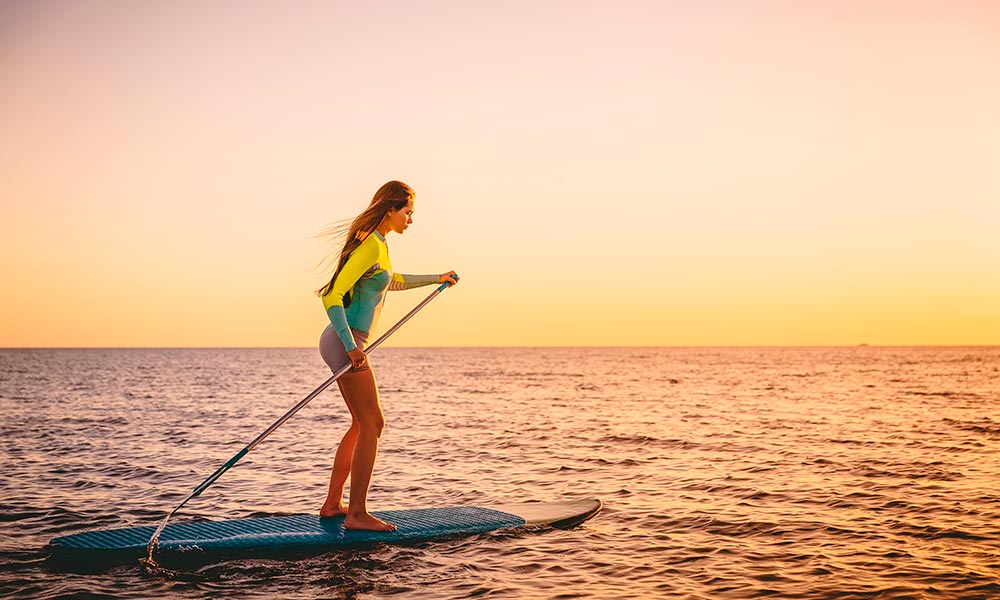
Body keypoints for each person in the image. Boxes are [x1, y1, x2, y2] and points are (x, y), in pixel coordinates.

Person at [316, 180, 458, 531]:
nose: (411, 219)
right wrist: (351, 346)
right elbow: (331, 296)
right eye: (408, 212)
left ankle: (333, 505)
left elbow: (390, 281)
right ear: (391, 209)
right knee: (373, 423)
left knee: (362, 423)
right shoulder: (369, 246)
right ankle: (357, 514)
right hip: (345, 340)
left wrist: (435, 278)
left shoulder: (378, 245)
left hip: (345, 341)